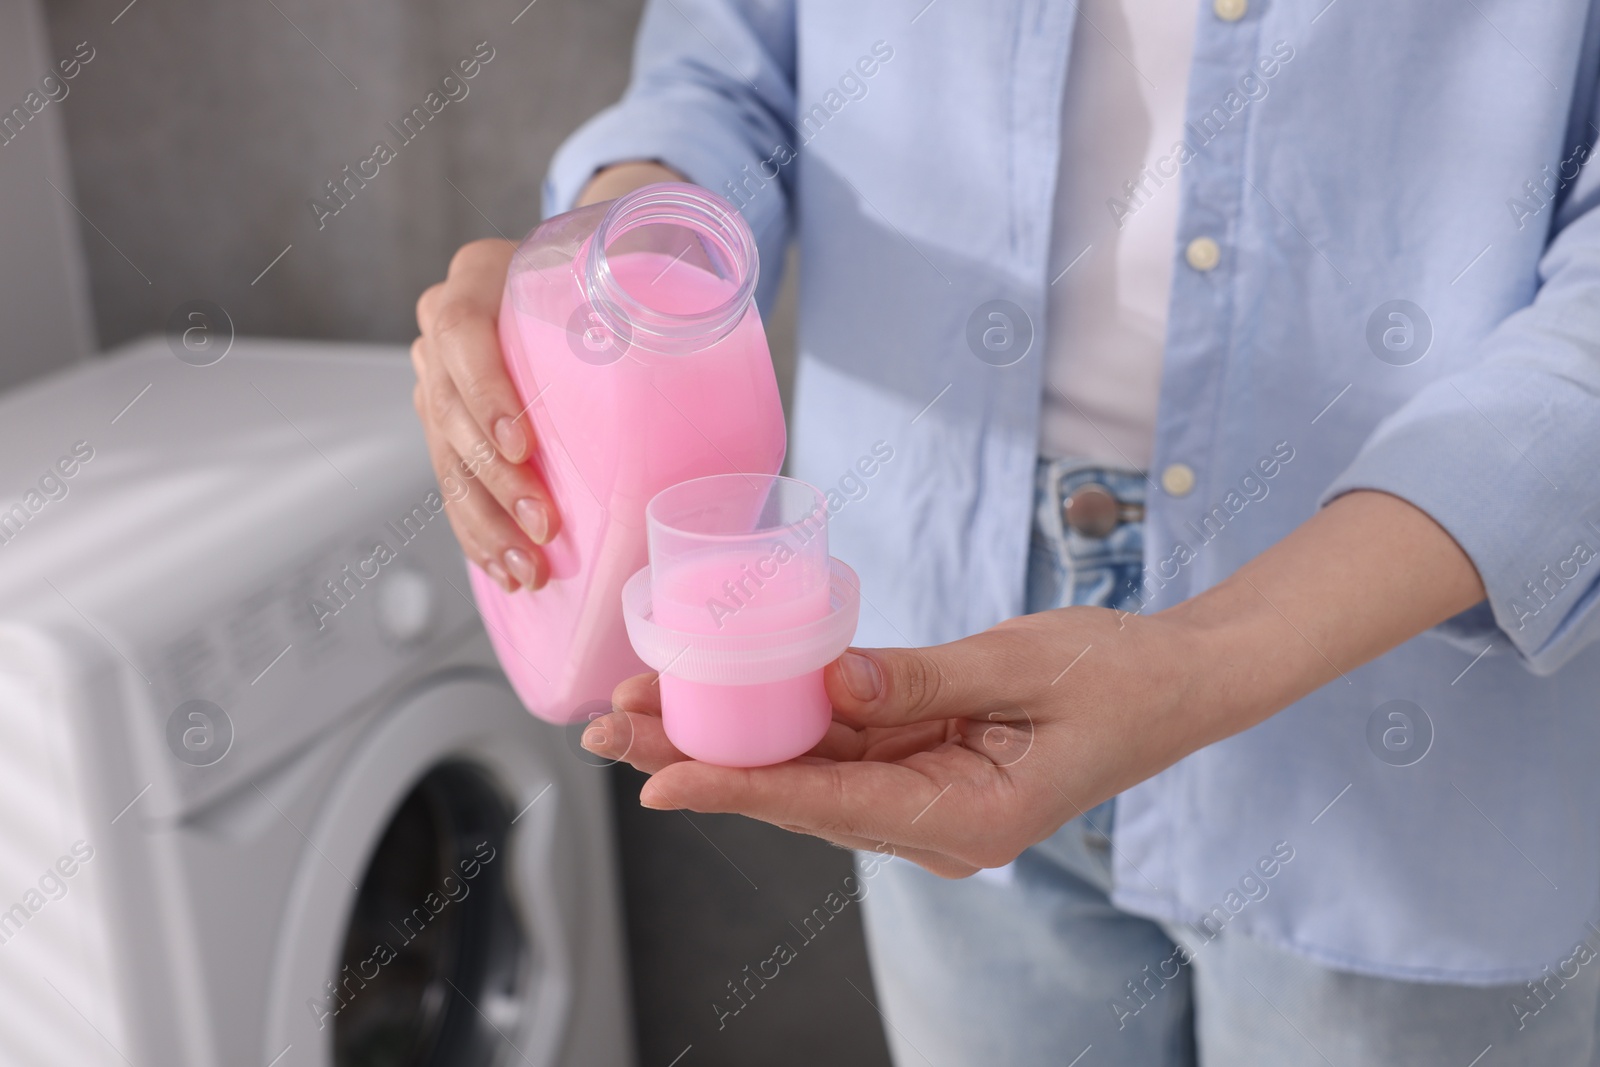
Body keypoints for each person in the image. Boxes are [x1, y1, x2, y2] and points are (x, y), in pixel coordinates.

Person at [410, 1, 1600, 1062]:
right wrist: (604, 263)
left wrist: (1205, 658)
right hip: (927, 625)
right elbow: (729, 70)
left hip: (1395, 670)